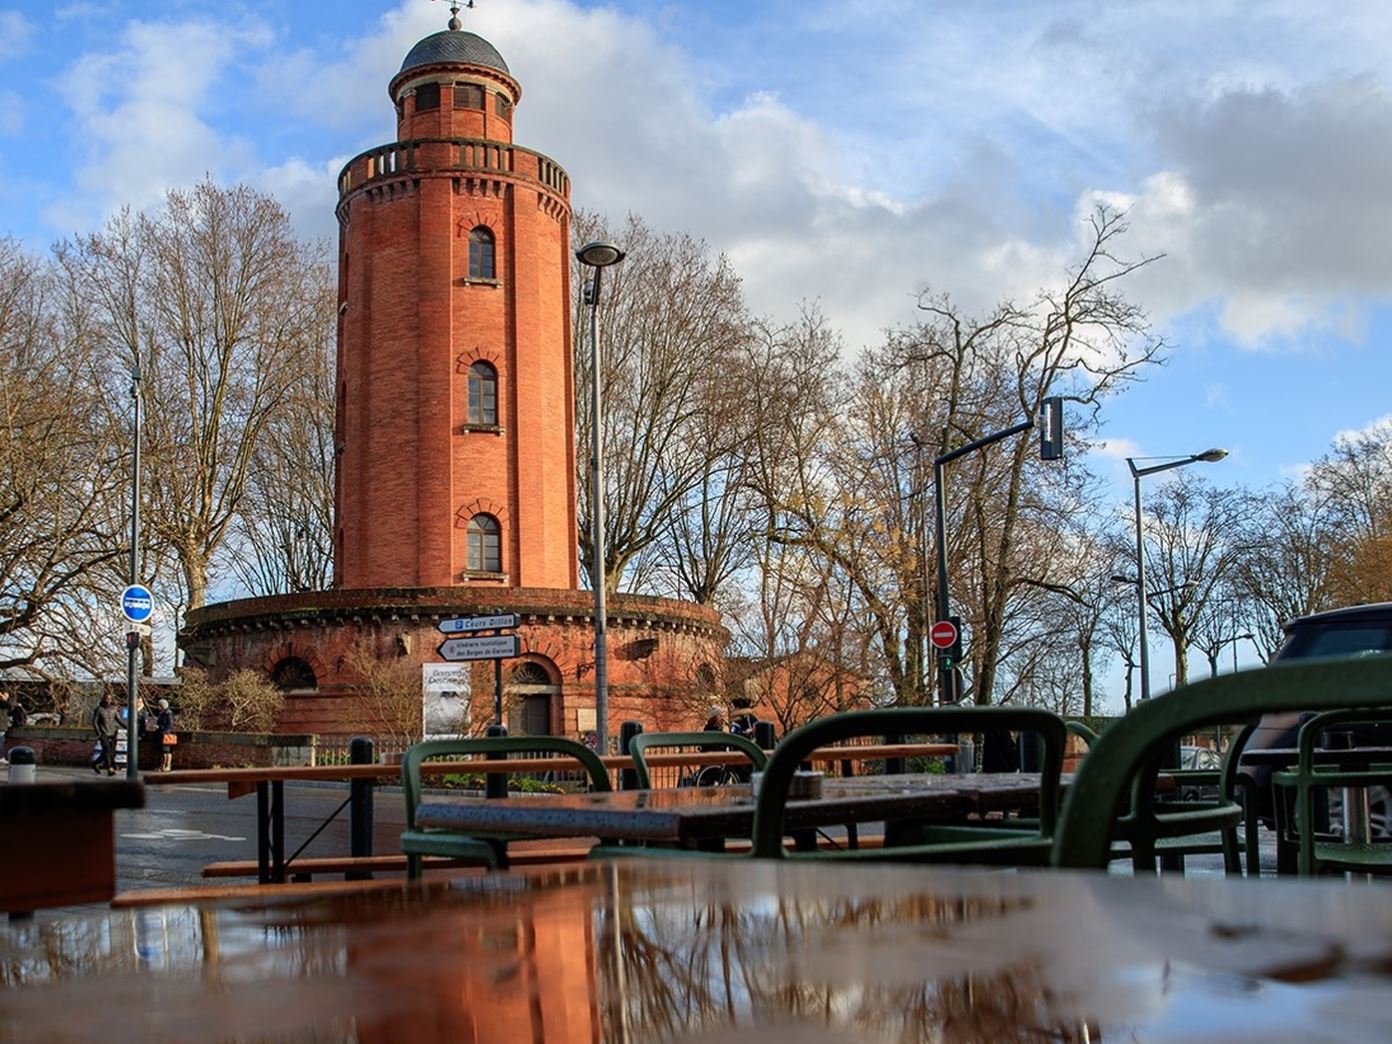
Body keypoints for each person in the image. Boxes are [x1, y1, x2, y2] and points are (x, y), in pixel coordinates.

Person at [92, 693, 122, 777]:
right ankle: (110, 768)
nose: (107, 700)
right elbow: (95, 722)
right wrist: (99, 733)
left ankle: (95, 763)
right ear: (103, 699)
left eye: (109, 699)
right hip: (103, 733)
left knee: (109, 752)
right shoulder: (99, 709)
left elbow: (118, 720)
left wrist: (127, 727)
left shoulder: (114, 709)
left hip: (112, 733)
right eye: (106, 698)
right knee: (107, 750)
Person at [155, 698, 175, 773]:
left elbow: (170, 725)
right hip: (161, 734)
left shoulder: (168, 713)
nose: (158, 707)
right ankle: (161, 766)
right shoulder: (162, 713)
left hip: (166, 735)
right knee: (162, 752)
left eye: (159, 706)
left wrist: (162, 729)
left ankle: (166, 766)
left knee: (166, 752)